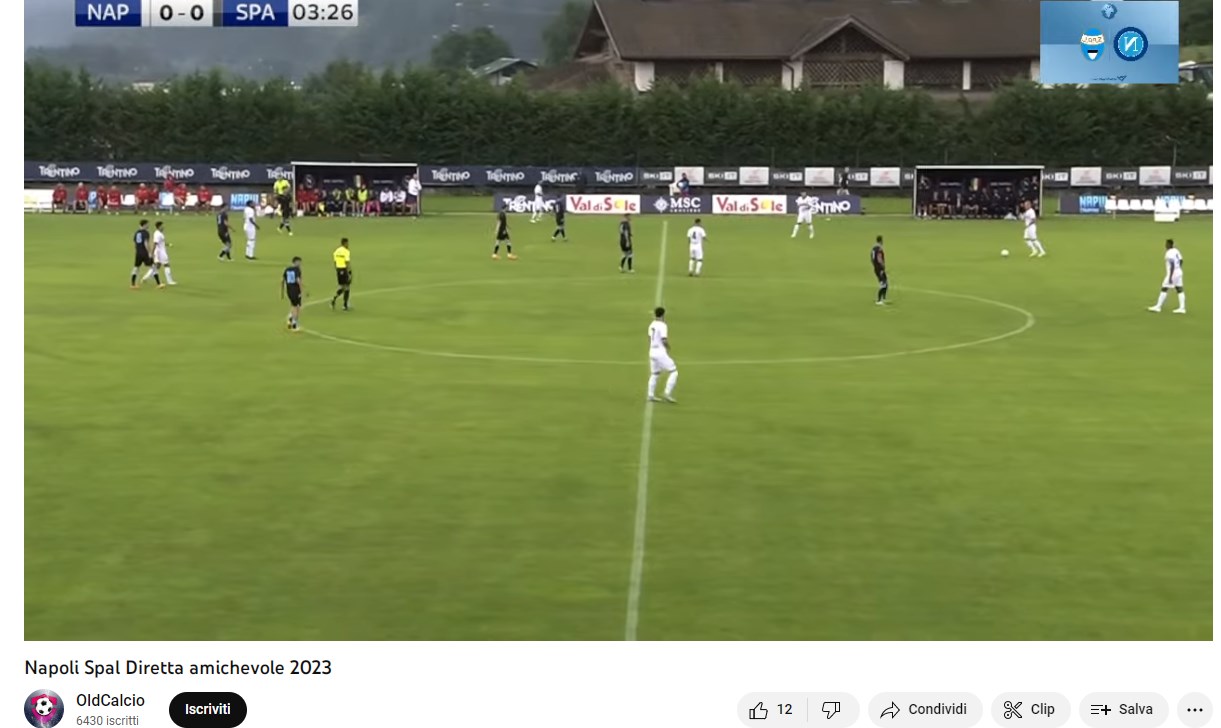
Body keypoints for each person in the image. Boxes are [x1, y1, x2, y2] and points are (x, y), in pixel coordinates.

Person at [646, 306, 678, 404]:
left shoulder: (651, 324)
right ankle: (667, 393)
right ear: (663, 314)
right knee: (674, 372)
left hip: (652, 351)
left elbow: (649, 339)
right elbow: (664, 339)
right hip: (660, 352)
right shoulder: (663, 325)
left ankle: (650, 395)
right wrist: (668, 347)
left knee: (655, 374)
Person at [1148, 238, 1186, 314]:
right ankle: (1182, 308)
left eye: (1166, 244)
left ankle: (1158, 307)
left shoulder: (1169, 253)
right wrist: (1178, 268)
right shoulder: (1176, 250)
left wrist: (1171, 277)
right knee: (1179, 289)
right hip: (1179, 272)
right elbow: (1181, 260)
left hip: (1173, 273)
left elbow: (1172, 264)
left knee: (1164, 288)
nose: (1165, 245)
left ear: (1169, 245)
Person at [142, 220, 177, 286]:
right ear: (159, 226)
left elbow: (161, 242)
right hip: (160, 252)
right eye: (162, 226)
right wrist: (152, 253)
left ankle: (145, 278)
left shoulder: (158, 233)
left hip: (160, 252)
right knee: (166, 265)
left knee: (157, 266)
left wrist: (168, 244)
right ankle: (170, 281)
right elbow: (155, 244)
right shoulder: (158, 234)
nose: (163, 227)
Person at [130, 219, 160, 289]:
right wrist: (150, 253)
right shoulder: (145, 233)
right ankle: (159, 284)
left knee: (136, 268)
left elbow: (135, 243)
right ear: (144, 225)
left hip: (138, 253)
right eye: (147, 224)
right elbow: (146, 243)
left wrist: (138, 250)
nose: (148, 225)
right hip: (144, 253)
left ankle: (133, 284)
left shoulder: (137, 233)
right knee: (153, 266)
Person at [282, 256, 305, 331]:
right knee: (297, 307)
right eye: (299, 262)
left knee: (294, 305)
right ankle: (294, 324)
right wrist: (302, 291)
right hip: (295, 290)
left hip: (289, 290)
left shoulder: (287, 269)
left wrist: (282, 291)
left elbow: (283, 280)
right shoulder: (297, 269)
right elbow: (298, 280)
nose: (300, 264)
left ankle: (290, 319)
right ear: (296, 262)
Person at [331, 237, 353, 311]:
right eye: (347, 243)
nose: (348, 244)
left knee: (343, 287)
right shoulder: (346, 251)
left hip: (338, 270)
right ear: (345, 243)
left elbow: (335, 262)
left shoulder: (336, 251)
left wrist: (337, 269)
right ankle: (345, 305)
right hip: (344, 269)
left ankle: (334, 299)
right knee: (347, 287)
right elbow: (347, 262)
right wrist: (349, 272)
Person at [871, 234, 889, 305]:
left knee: (886, 282)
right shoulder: (879, 249)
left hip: (876, 268)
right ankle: (879, 300)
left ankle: (883, 298)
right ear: (881, 241)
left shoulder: (873, 249)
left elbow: (872, 259)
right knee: (883, 284)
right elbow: (879, 258)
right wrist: (882, 266)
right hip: (879, 268)